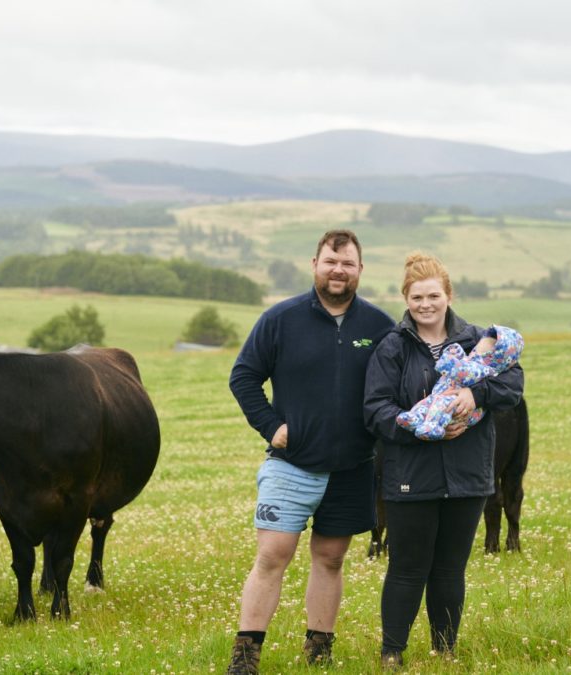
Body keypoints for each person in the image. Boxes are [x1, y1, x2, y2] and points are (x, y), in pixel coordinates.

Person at [225, 229, 395, 674]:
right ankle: (245, 658)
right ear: (315, 265)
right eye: (330, 262)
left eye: (347, 263)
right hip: (292, 464)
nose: (338, 270)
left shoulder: (379, 327)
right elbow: (243, 377)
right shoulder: (281, 319)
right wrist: (271, 426)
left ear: (360, 270)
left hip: (354, 467)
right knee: (272, 557)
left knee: (331, 558)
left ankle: (318, 650)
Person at [363, 252, 525, 669]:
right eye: (417, 297)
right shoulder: (393, 348)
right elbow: (375, 408)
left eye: (433, 295)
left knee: (450, 569)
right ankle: (391, 653)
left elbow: (512, 385)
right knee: (406, 568)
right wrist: (416, 428)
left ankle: (444, 650)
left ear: (448, 295)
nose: (426, 304)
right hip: (409, 476)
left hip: (467, 476)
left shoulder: (478, 341)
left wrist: (477, 394)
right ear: (406, 298)